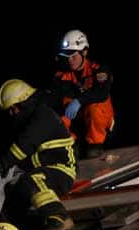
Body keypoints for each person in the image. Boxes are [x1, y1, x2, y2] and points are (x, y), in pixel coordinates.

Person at [0, 79, 77, 230]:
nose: (12, 113)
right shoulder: (29, 120)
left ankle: (60, 219)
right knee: (15, 190)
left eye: (14, 108)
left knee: (32, 180)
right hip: (46, 169)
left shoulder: (43, 116)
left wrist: (5, 162)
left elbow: (26, 143)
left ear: (25, 102)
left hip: (61, 171)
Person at [51, 29, 115, 158]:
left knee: (95, 106)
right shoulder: (61, 75)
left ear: (84, 52)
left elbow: (101, 93)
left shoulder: (99, 71)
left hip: (99, 120)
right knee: (57, 112)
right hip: (78, 120)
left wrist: (79, 100)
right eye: (67, 56)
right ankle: (70, 145)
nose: (70, 60)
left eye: (73, 55)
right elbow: (57, 97)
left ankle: (95, 145)